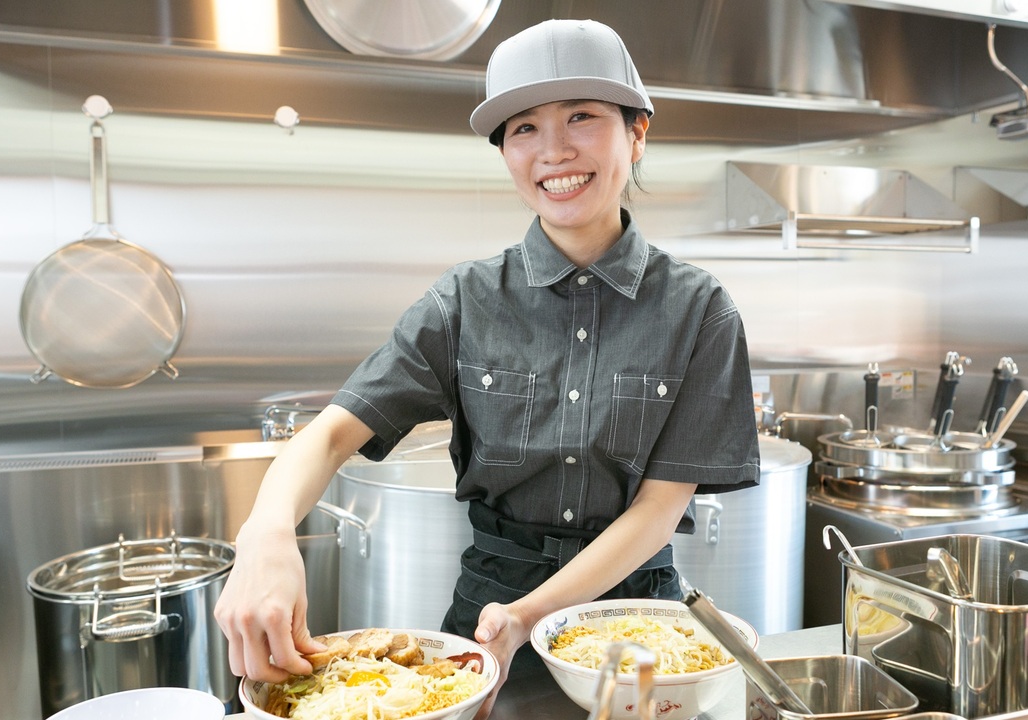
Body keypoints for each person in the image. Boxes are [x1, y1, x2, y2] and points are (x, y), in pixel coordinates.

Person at [214, 18, 761, 718]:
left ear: (638, 131)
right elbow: (327, 437)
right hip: (486, 622)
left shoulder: (700, 311)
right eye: (523, 128)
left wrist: (533, 615)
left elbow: (658, 514)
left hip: (635, 629)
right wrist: (264, 535)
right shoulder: (461, 304)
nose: (553, 149)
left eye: (583, 117)